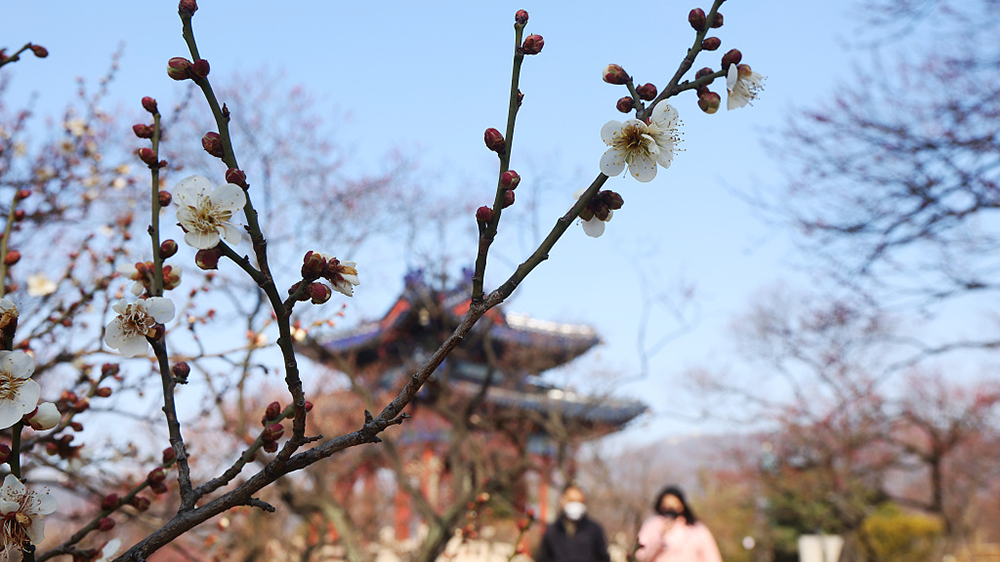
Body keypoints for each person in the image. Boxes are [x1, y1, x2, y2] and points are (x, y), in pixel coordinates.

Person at [634, 485, 723, 562]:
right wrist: (659, 538)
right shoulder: (652, 525)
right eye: (666, 505)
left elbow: (712, 557)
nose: (670, 509)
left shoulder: (696, 528)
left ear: (682, 505)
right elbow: (640, 555)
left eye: (674, 504)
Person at [535, 484, 612, 562]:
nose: (575, 504)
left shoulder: (594, 530)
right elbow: (543, 558)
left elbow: (603, 557)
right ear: (562, 501)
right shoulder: (552, 531)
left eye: (579, 501)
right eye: (571, 500)